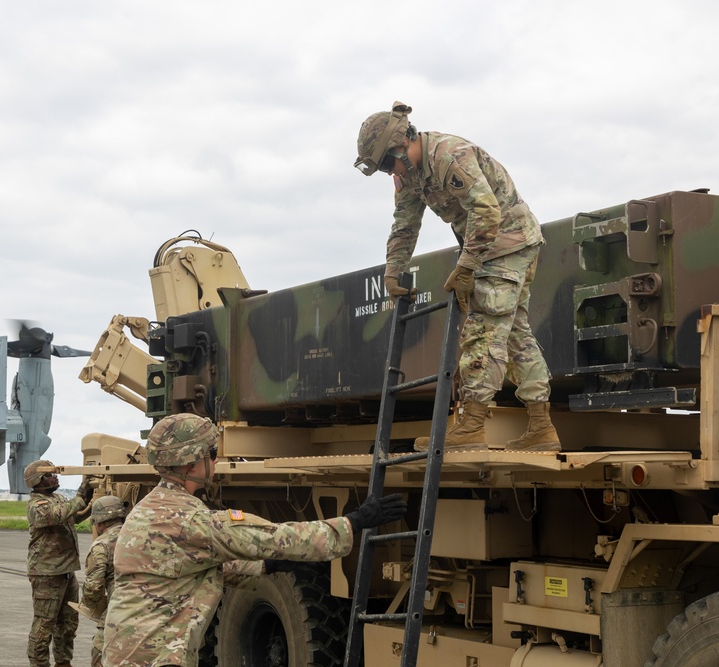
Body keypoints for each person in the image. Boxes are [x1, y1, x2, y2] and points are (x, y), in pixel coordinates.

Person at [102, 412, 407, 667]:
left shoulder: (148, 511)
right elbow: (280, 537)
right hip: (154, 658)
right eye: (211, 453)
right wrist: (356, 521)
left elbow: (188, 570)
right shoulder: (194, 522)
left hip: (127, 653)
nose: (217, 460)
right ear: (189, 463)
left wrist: (265, 567)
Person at [354, 101, 561, 453]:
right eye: (383, 168)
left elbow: (487, 211)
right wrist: (392, 273)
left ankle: (472, 426)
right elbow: (404, 225)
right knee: (514, 333)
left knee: (483, 327)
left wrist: (465, 268)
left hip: (506, 241)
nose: (390, 172)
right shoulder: (408, 176)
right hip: (496, 245)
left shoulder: (449, 156)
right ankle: (542, 427)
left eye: (389, 162)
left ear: (403, 143)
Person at [24, 459, 94, 667]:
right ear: (38, 481)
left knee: (68, 623)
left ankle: (63, 662)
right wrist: (82, 493)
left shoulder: (57, 498)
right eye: (49, 474)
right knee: (44, 624)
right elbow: (58, 515)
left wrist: (91, 497)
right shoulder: (37, 504)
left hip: (65, 571)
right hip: (47, 573)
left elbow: (76, 515)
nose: (55, 477)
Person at [80, 495, 127, 667]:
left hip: (119, 608)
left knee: (100, 654)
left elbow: (93, 587)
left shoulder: (101, 545)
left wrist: (90, 605)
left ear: (99, 524)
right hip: (152, 606)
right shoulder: (140, 535)